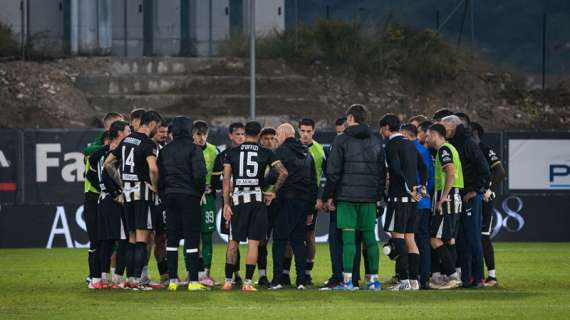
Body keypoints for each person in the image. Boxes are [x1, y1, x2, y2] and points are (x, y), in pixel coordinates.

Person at [222, 121, 288, 291]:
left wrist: (226, 204)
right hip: (257, 201)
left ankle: (228, 281)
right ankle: (248, 283)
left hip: (237, 201)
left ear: (244, 133)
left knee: (233, 243)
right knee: (253, 244)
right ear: (259, 135)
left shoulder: (231, 153)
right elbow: (284, 172)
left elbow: (227, 181)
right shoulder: (266, 152)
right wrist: (273, 192)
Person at [326, 104, 385, 291]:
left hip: (346, 197)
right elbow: (382, 172)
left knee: (349, 240)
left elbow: (333, 172)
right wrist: (378, 196)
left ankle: (348, 281)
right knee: (370, 239)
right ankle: (374, 281)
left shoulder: (341, 140)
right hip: (369, 197)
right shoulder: (376, 140)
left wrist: (329, 195)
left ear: (350, 118)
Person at [104, 110, 163, 290]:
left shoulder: (125, 141)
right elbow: (153, 169)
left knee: (130, 239)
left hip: (128, 195)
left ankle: (130, 279)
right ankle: (137, 280)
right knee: (141, 239)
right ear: (152, 124)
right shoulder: (148, 144)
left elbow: (108, 164)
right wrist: (155, 186)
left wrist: (122, 182)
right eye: (158, 127)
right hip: (142, 195)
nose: (158, 130)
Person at [157, 117, 207, 291]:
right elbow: (200, 175)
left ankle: (172, 281)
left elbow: (159, 178)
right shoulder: (195, 149)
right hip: (189, 197)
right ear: (189, 130)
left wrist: (164, 195)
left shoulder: (164, 150)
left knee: (172, 239)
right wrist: (198, 193)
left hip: (170, 197)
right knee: (192, 238)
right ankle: (193, 281)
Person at [441, 115, 490, 288]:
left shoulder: (469, 144)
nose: (442, 130)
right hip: (459, 197)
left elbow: (485, 170)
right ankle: (467, 278)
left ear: (452, 127)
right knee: (461, 239)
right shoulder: (453, 143)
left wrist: (474, 191)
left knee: (473, 238)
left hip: (470, 198)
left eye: (443, 126)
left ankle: (479, 278)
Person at [380, 114, 427, 291]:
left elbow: (397, 169)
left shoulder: (390, 145)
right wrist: (420, 189)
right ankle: (414, 281)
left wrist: (409, 188)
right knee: (410, 239)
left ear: (385, 128)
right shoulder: (410, 143)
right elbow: (423, 166)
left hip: (399, 198)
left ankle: (404, 281)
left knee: (398, 238)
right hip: (414, 200)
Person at [269, 123, 317, 290]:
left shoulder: (281, 152)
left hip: (285, 201)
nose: (276, 138)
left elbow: (273, 176)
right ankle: (302, 280)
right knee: (298, 240)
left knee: (279, 240)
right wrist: (310, 209)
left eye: (277, 135)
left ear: (283, 134)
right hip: (303, 203)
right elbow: (313, 183)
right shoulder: (307, 152)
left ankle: (277, 279)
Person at [84, 112, 124, 288]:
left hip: (103, 198)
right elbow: (93, 172)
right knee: (100, 240)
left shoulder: (102, 152)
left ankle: (101, 277)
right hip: (97, 198)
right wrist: (113, 192)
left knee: (107, 240)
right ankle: (97, 277)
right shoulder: (99, 151)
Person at [425, 124, 463, 290]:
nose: (427, 139)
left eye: (428, 135)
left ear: (434, 134)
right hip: (453, 197)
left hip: (447, 198)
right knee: (450, 239)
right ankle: (451, 276)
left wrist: (443, 197)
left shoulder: (444, 150)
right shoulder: (451, 148)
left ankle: (453, 276)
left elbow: (450, 172)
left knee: (434, 239)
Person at [471, 122, 506, 287]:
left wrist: (490, 190)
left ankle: (491, 276)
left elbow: (500, 171)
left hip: (483, 198)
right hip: (473, 197)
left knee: (483, 236)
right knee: (471, 236)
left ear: (476, 132)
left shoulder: (484, 149)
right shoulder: (468, 147)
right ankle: (473, 274)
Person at [401, 124, 435, 290]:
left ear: (406, 134)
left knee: (411, 239)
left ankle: (415, 277)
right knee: (421, 240)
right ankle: (423, 278)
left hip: (415, 203)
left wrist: (418, 196)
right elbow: (430, 177)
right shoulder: (424, 150)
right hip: (424, 203)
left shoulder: (411, 150)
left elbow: (417, 178)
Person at [212, 122, 246, 285]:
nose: (240, 137)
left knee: (255, 240)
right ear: (230, 136)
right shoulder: (223, 156)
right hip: (231, 202)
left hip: (247, 201)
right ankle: (235, 274)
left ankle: (260, 275)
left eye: (243, 134)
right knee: (234, 239)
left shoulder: (249, 154)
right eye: (237, 134)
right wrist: (227, 183)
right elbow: (215, 181)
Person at [191, 120, 219, 287]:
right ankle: (191, 272)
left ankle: (205, 273)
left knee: (207, 236)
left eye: (204, 134)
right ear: (193, 134)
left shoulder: (213, 151)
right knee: (191, 236)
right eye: (198, 134)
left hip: (207, 197)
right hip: (191, 198)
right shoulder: (188, 150)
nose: (201, 138)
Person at [257, 127, 278, 287]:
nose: (269, 141)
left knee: (279, 241)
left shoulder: (279, 158)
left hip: (277, 204)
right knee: (261, 241)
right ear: (260, 140)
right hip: (260, 204)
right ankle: (262, 275)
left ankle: (281, 275)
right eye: (266, 138)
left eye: (272, 138)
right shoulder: (256, 158)